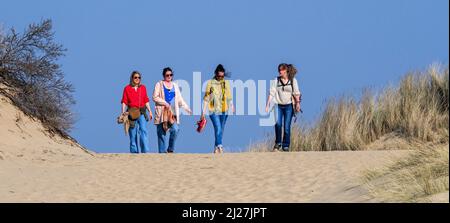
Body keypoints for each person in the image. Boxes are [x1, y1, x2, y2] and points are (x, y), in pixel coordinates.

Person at [153, 67, 192, 153]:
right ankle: (162, 154)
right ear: (164, 76)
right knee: (161, 133)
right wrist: (165, 103)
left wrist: (186, 108)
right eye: (167, 75)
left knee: (175, 129)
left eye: (171, 75)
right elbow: (155, 97)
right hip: (161, 113)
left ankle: (170, 149)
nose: (169, 77)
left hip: (172, 113)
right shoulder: (159, 84)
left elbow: (180, 99)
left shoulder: (175, 86)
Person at [265, 63, 301, 152]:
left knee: (287, 126)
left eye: (281, 70)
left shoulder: (293, 80)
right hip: (278, 105)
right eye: (279, 70)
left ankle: (286, 145)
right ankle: (278, 144)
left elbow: (296, 93)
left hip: (289, 106)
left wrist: (297, 104)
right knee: (277, 124)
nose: (279, 72)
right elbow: (272, 92)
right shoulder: (276, 80)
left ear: (286, 71)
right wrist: (267, 104)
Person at [201, 64, 235, 154]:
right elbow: (206, 99)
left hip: (224, 110)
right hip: (213, 110)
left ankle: (216, 147)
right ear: (215, 74)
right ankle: (220, 146)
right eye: (219, 76)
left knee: (221, 130)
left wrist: (232, 106)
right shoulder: (210, 83)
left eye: (222, 76)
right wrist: (203, 113)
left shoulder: (225, 83)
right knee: (218, 128)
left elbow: (229, 96)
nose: (221, 78)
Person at [121, 71, 153, 153]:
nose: (137, 79)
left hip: (142, 112)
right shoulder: (127, 88)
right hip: (131, 113)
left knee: (143, 131)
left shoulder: (143, 88)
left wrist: (150, 111)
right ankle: (134, 153)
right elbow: (124, 101)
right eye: (135, 77)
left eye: (139, 77)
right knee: (133, 134)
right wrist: (123, 112)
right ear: (132, 78)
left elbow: (146, 100)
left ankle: (145, 151)